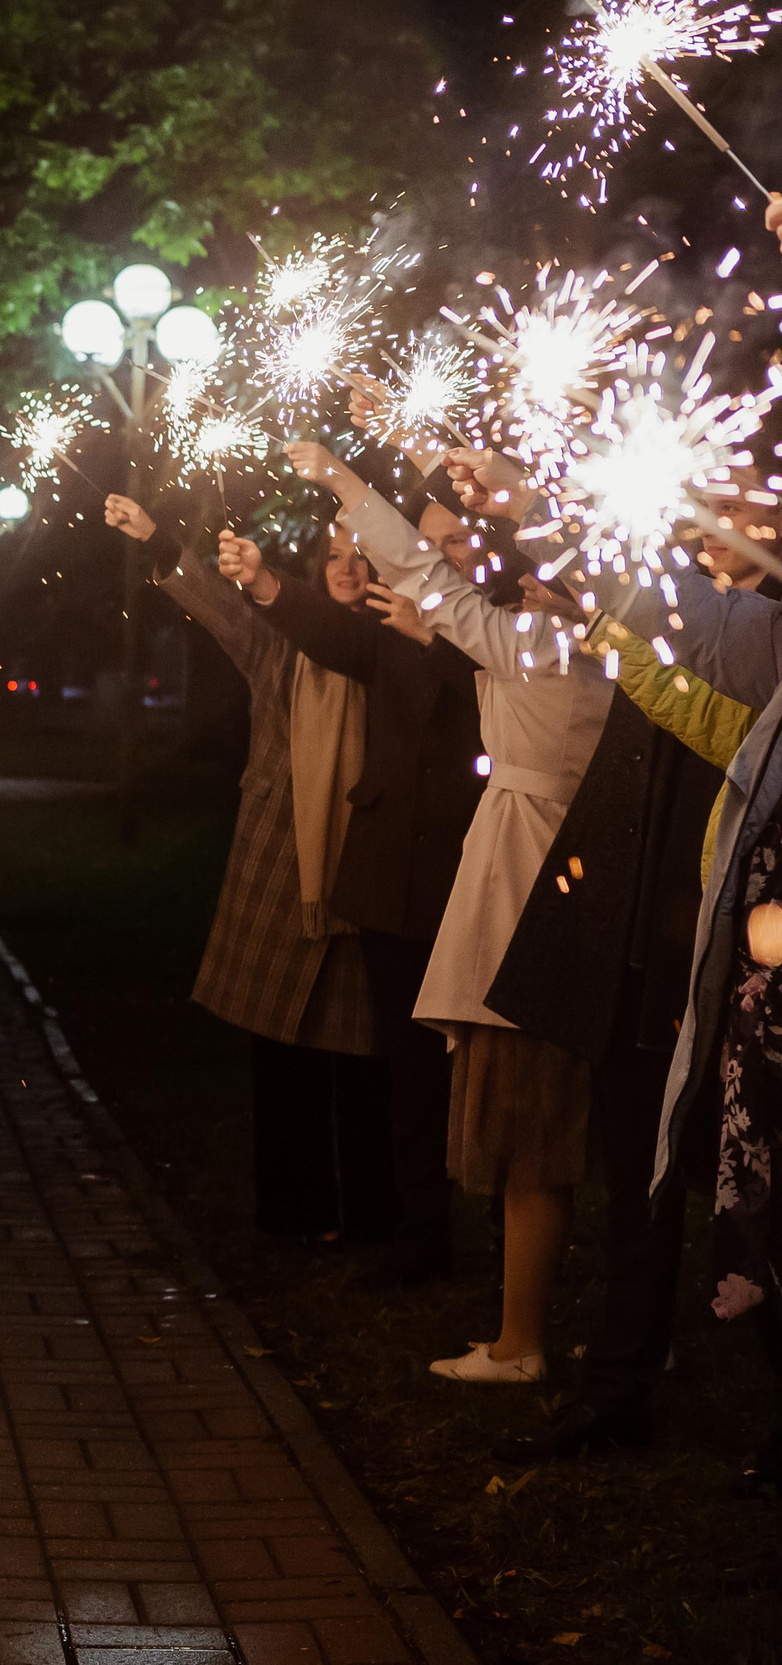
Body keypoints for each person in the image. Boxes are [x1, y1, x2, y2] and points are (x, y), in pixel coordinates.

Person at [451, 443, 782, 1491]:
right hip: (646, 928)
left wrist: (543, 512)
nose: (721, 503)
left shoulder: (758, 623)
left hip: (727, 940)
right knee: (639, 1164)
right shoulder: (696, 606)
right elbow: (666, 674)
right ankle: (619, 1379)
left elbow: (715, 698)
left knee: (736, 1174)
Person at [291, 439, 614, 1385]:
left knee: (529, 1122)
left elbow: (426, 573)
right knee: (546, 1124)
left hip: (523, 888)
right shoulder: (600, 649)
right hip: (566, 879)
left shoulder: (544, 645)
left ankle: (521, 1343)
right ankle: (571, 1328)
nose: (516, 573)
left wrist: (345, 479)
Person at [210, 475, 486, 1284]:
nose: (434, 554)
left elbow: (490, 702)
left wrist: (434, 640)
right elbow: (328, 631)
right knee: (402, 1066)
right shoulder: (387, 624)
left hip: (466, 871)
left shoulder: (490, 628)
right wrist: (261, 579)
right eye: (425, 540)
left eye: (449, 542)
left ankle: (492, 1229)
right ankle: (419, 1230)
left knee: (465, 1068)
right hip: (388, 875)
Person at [103, 495, 388, 1243]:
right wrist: (161, 540)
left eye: (361, 556)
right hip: (280, 865)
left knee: (364, 1059)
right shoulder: (282, 642)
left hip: (362, 870)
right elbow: (220, 609)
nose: (349, 567)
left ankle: (367, 1220)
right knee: (281, 1053)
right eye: (333, 556)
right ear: (315, 571)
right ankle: (295, 1218)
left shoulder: (399, 645)